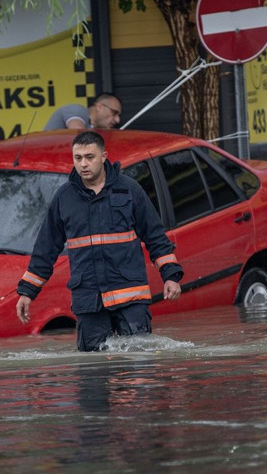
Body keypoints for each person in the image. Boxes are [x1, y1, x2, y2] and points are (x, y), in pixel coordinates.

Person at [15, 130, 183, 351]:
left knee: (139, 370)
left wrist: (170, 276)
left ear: (104, 156)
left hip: (130, 297)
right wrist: (27, 292)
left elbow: (154, 236)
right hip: (89, 301)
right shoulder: (64, 198)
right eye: (78, 158)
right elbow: (46, 248)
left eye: (89, 157)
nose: (83, 164)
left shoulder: (129, 190)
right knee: (93, 374)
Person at [43, 93, 122, 130]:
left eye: (119, 116)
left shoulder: (93, 128)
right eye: (114, 113)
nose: (117, 120)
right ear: (99, 107)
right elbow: (77, 133)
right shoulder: (78, 110)